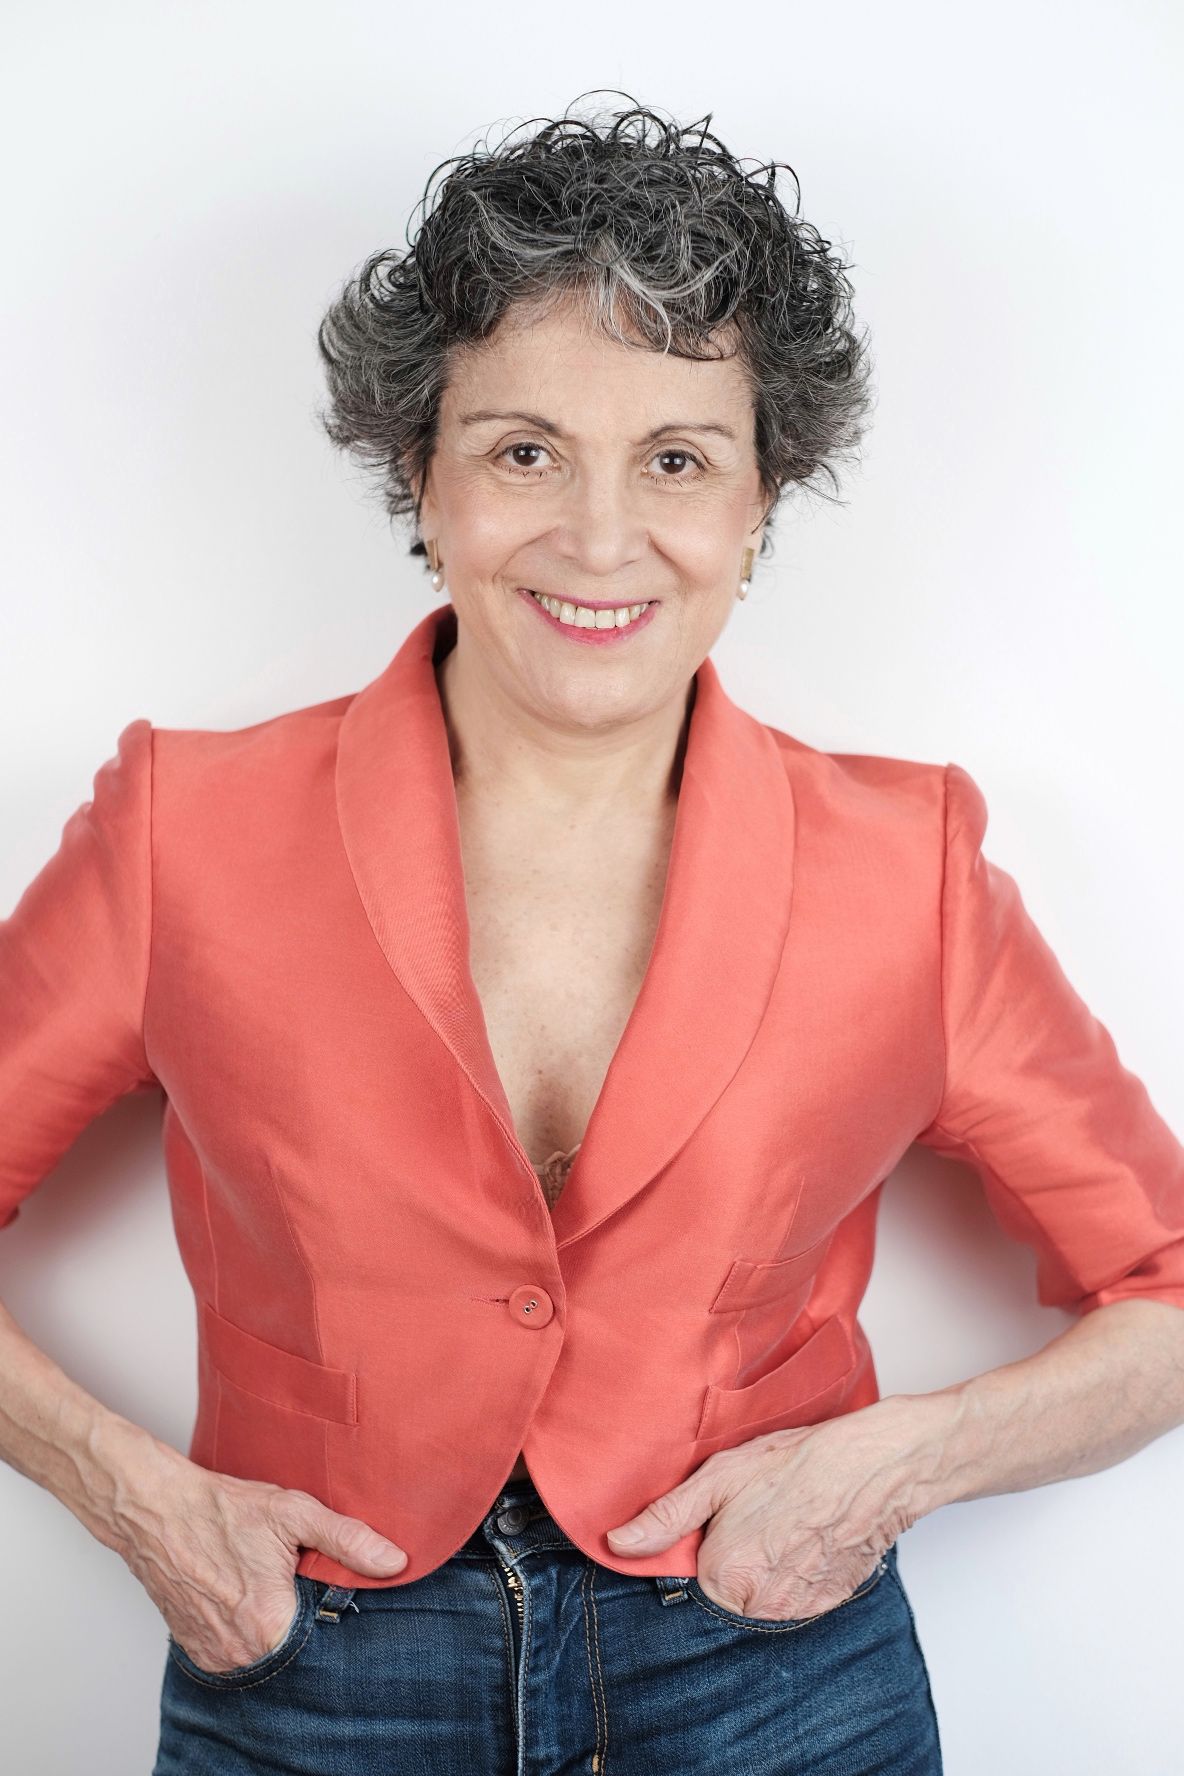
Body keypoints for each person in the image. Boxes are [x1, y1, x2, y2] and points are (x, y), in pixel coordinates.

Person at [2, 92, 1183, 1776]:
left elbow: (1166, 1287)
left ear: (762, 501)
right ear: (421, 475)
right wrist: (136, 1500)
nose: (602, 538)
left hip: (775, 1670)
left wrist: (898, 1465)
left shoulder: (905, 867)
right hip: (310, 1669)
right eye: (524, 450)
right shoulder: (180, 830)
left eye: (677, 459)